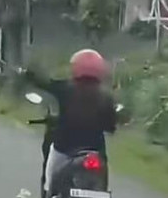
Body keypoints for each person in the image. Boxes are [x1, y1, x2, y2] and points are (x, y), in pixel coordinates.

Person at [24, 49, 117, 196]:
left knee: (50, 180)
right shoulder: (106, 97)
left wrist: (29, 73)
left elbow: (44, 83)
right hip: (95, 151)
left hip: (65, 148)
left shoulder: (65, 88)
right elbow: (111, 127)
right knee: (101, 184)